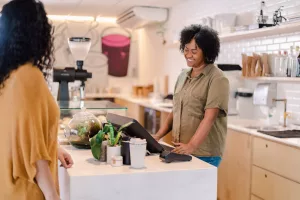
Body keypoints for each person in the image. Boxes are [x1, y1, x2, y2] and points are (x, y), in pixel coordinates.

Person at [0, 0, 73, 199]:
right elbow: (34, 154)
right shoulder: (29, 77)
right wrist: (52, 195)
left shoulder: (8, 76)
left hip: (9, 187)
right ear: (37, 32)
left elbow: (22, 131)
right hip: (28, 191)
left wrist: (54, 147)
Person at [154, 24, 229, 167]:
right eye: (186, 50)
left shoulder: (217, 79)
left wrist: (191, 146)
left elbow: (210, 117)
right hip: (181, 149)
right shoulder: (183, 75)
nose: (188, 55)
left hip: (204, 153)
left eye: (194, 51)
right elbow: (175, 110)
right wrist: (158, 135)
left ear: (206, 52)